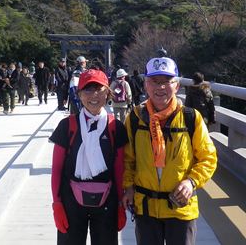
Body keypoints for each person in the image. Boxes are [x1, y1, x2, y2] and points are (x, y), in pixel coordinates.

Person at [122, 57, 218, 245]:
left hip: (180, 208)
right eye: (154, 81)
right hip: (146, 207)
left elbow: (208, 157)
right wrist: (128, 186)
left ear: (177, 85)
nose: (160, 87)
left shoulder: (191, 118)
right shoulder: (134, 118)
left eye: (167, 81)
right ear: (145, 84)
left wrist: (192, 182)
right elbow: (127, 159)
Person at [49, 69, 128, 245]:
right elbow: (57, 169)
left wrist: (121, 205)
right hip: (71, 202)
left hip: (107, 202)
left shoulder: (116, 127)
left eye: (99, 89)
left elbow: (119, 170)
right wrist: (57, 204)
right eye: (87, 89)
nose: (94, 95)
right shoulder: (67, 125)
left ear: (108, 92)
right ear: (79, 94)